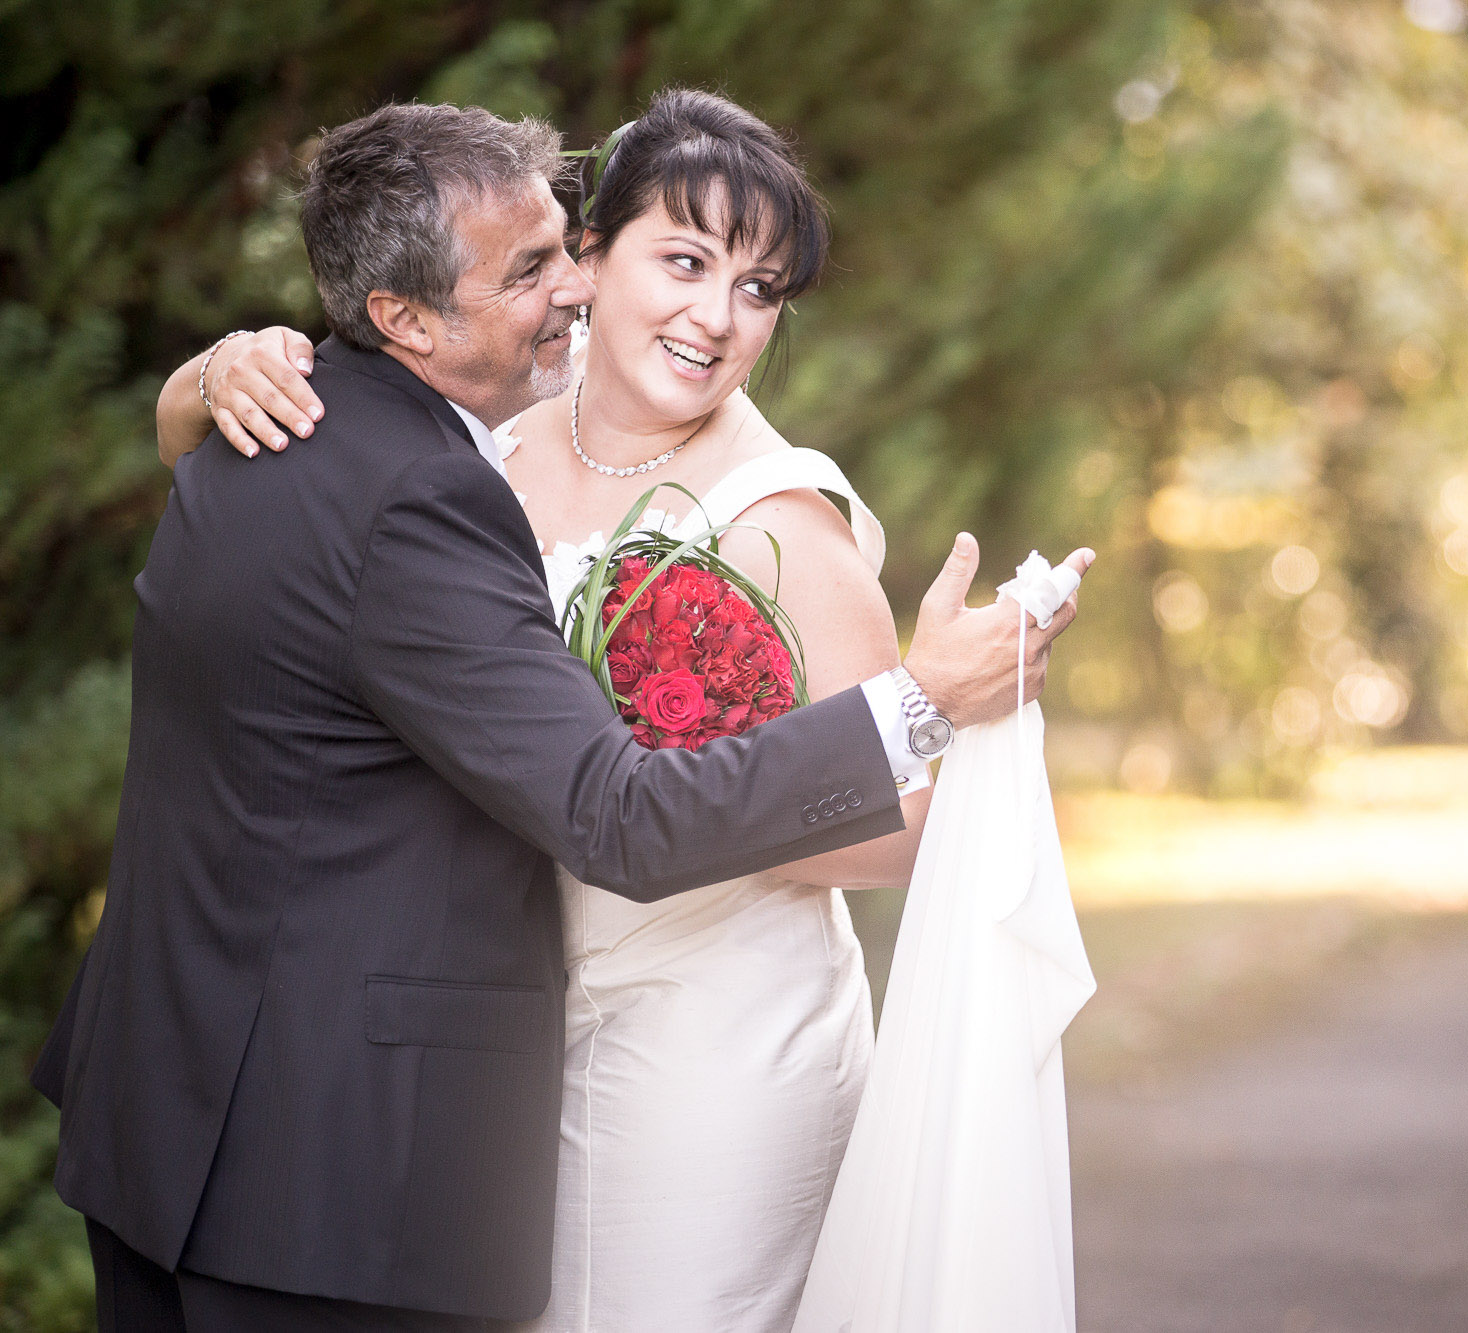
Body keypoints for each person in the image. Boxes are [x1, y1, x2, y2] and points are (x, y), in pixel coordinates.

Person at [40, 99, 1091, 1333]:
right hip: (370, 1107)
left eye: (759, 288)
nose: (712, 313)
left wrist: (688, 752)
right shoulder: (438, 457)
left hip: (652, 1050)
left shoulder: (771, 510)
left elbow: (871, 825)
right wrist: (206, 375)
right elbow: (587, 796)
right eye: (678, 261)